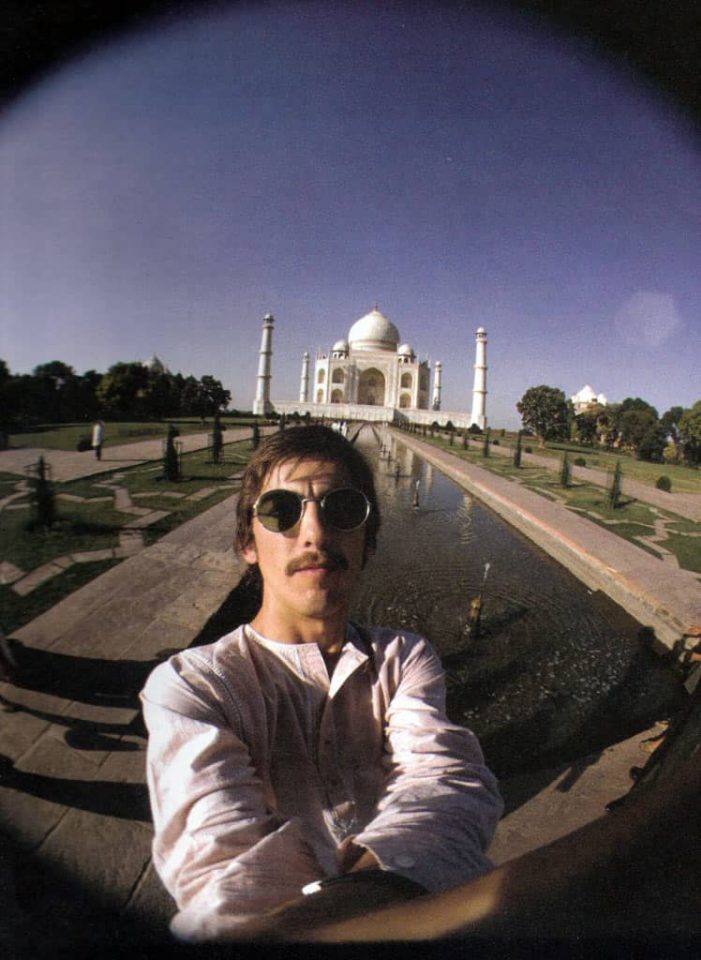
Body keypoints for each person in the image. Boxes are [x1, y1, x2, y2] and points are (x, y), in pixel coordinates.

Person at [141, 425, 503, 942]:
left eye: (342, 509)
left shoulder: (401, 659)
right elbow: (215, 865)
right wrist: (387, 882)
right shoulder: (195, 687)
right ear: (247, 541)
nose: (314, 533)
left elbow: (449, 782)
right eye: (281, 511)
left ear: (367, 540)